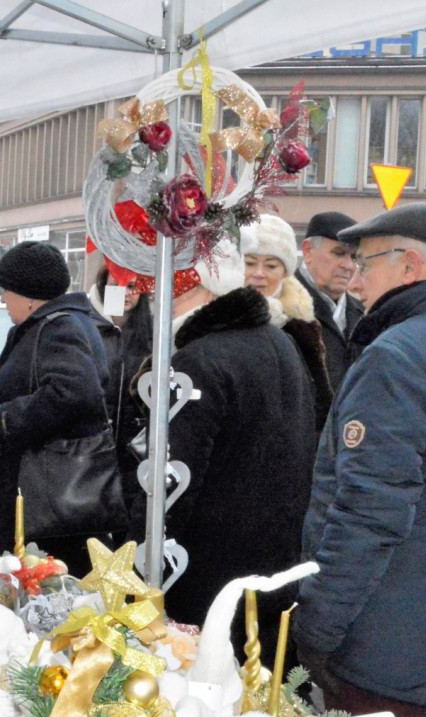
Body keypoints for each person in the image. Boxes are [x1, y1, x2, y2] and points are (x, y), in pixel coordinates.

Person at [294, 203, 426, 717]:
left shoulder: (397, 357)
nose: (355, 279)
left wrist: (319, 627)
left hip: (391, 658)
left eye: (367, 263)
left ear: (409, 268)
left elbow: (369, 512)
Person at [130, 244, 316, 665]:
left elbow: (171, 486)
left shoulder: (198, 361)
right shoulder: (280, 342)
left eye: (171, 290)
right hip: (271, 573)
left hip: (204, 585)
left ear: (207, 287)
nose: (158, 302)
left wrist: (135, 572)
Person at [0, 241, 115, 574]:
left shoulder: (61, 326)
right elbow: (30, 388)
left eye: (6, 290)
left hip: (40, 508)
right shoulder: (48, 325)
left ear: (28, 294)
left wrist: (2, 420)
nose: (2, 299)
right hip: (29, 501)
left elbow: (73, 392)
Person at [241, 214, 332, 430]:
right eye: (250, 263)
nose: (259, 274)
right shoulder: (214, 317)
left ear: (285, 272)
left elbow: (320, 404)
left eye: (271, 266)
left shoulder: (302, 327)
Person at [89, 258, 152, 510]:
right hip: (95, 449)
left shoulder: (151, 331)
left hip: (134, 453)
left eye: (133, 286)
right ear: (104, 286)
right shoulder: (91, 327)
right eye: (118, 284)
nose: (126, 293)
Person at [294, 212, 364, 392]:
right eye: (339, 253)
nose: (348, 266)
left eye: (354, 257)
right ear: (308, 251)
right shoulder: (281, 310)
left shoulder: (363, 315)